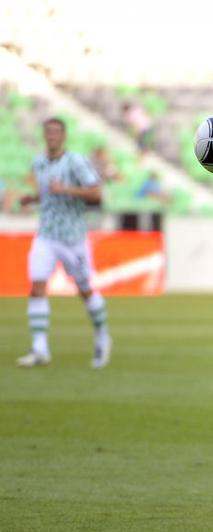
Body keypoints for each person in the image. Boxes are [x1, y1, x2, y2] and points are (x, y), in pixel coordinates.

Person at [16, 117, 111, 369]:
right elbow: (47, 193)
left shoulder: (75, 161)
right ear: (44, 135)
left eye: (56, 132)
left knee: (84, 289)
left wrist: (66, 190)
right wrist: (32, 199)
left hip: (73, 237)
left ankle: (102, 335)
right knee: (37, 285)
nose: (52, 136)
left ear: (63, 136)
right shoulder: (39, 162)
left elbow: (96, 192)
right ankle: (39, 349)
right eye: (48, 132)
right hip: (46, 235)